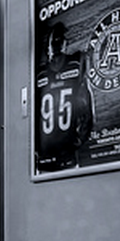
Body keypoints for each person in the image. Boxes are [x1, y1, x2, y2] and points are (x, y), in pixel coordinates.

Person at [34, 21, 95, 173]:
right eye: (55, 41)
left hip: (56, 153)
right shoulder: (74, 63)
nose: (56, 44)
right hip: (54, 154)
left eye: (58, 40)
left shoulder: (42, 73)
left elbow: (86, 104)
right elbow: (87, 107)